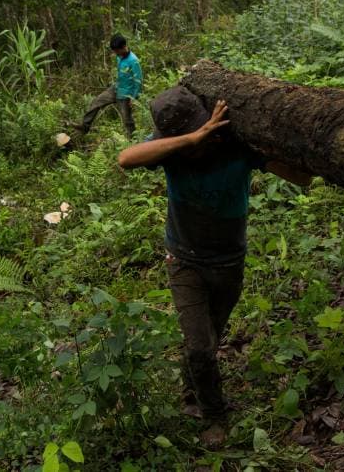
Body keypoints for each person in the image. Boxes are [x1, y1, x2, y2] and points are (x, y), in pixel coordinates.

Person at [118, 87, 310, 446]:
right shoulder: (171, 151)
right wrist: (191, 139)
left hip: (228, 261)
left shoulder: (236, 145)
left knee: (209, 337)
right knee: (199, 346)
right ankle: (215, 416)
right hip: (183, 259)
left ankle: (192, 386)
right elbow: (126, 158)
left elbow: (303, 178)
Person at [73, 34, 142, 137]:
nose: (115, 53)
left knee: (127, 121)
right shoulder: (119, 57)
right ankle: (84, 126)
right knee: (96, 102)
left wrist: (134, 98)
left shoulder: (133, 61)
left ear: (124, 47)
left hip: (126, 95)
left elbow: (138, 81)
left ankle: (133, 141)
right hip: (116, 88)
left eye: (117, 51)